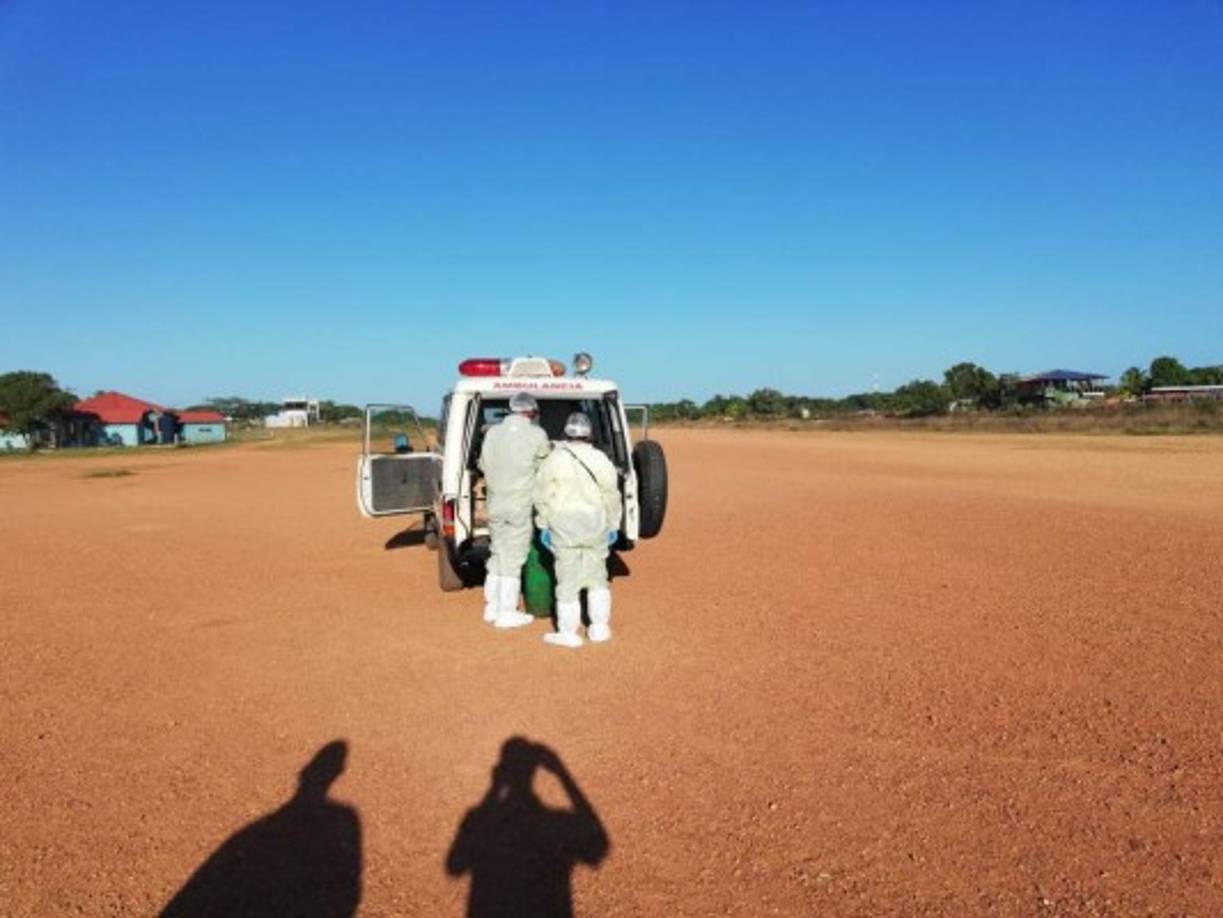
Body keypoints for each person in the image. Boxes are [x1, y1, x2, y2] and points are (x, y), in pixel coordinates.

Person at [533, 412, 622, 647]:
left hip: (564, 525)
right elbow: (611, 495)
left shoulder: (553, 459)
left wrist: (543, 523)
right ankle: (600, 628)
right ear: (590, 434)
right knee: (597, 578)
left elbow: (542, 495)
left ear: (566, 433)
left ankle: (568, 633)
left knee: (567, 582)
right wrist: (613, 524)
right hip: (595, 524)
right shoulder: (601, 459)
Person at [478, 392, 551, 628]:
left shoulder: (492, 433)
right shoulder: (537, 434)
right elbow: (545, 467)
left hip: (495, 503)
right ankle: (507, 612)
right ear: (530, 411)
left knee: (498, 551)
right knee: (514, 557)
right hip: (520, 504)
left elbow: (482, 464)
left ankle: (492, 606)